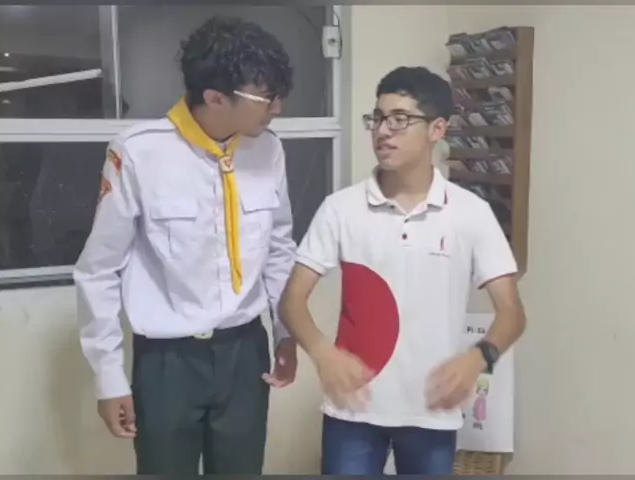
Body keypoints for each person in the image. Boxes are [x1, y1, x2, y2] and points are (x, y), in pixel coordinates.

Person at [74, 16, 298, 475]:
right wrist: (109, 377)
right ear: (215, 97)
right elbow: (98, 270)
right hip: (167, 361)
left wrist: (286, 331)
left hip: (244, 353)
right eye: (267, 98)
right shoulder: (139, 152)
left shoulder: (268, 150)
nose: (277, 108)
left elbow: (279, 247)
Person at [279, 66, 527, 475]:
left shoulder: (471, 213)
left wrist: (478, 357)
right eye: (377, 118)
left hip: (432, 412)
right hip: (353, 411)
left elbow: (512, 313)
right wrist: (323, 353)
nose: (383, 131)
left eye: (399, 119)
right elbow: (292, 301)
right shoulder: (341, 209)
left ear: (437, 129)